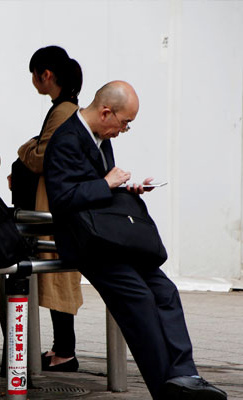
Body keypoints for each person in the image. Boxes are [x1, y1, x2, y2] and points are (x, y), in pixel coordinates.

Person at [43, 80, 227, 399]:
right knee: (139, 300)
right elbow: (61, 199)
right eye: (125, 122)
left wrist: (127, 187)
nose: (124, 130)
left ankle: (185, 374)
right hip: (89, 243)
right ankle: (165, 389)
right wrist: (105, 183)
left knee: (165, 291)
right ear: (105, 112)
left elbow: (98, 188)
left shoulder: (100, 135)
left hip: (112, 235)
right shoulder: (67, 139)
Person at [11, 45, 83, 372]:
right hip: (57, 204)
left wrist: (24, 147)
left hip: (54, 206)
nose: (32, 81)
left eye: (33, 74)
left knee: (57, 277)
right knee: (57, 277)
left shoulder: (62, 111)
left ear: (46, 74)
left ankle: (64, 352)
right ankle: (61, 349)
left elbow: (41, 156)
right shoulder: (67, 109)